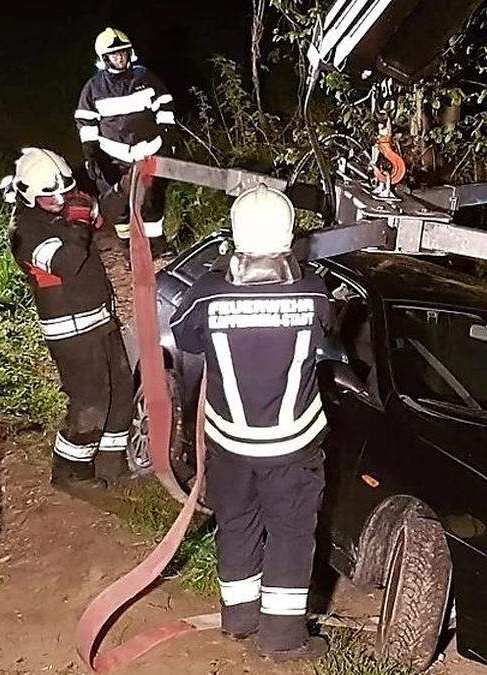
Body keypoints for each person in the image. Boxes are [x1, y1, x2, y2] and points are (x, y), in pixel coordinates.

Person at [169, 185, 332, 661]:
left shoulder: (208, 294)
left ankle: (239, 618)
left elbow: (188, 340)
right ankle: (281, 638)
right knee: (291, 531)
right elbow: (327, 334)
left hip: (229, 443)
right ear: (287, 237)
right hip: (292, 445)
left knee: (237, 521)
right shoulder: (313, 292)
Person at [1, 148, 131, 487]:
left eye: (64, 191)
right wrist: (76, 220)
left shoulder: (65, 204)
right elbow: (69, 261)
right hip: (71, 332)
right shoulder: (24, 232)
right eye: (50, 196)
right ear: (30, 196)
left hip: (100, 319)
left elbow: (102, 214)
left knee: (121, 390)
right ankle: (69, 471)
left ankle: (112, 461)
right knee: (91, 401)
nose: (59, 199)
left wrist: (124, 189)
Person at [74, 27, 176, 259]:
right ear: (103, 58)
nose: (120, 58)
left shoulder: (146, 77)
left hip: (149, 151)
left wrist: (169, 137)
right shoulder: (93, 88)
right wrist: (90, 153)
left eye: (123, 52)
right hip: (113, 157)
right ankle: (131, 250)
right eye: (114, 54)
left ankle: (157, 245)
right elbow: (86, 121)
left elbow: (165, 105)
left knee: (152, 200)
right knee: (119, 207)